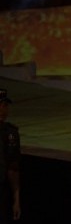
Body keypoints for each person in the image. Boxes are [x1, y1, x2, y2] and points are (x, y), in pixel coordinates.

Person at [0, 89, 21, 223]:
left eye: (5, 106)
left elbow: (13, 168)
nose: (5, 110)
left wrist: (16, 200)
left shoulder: (10, 133)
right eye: (2, 105)